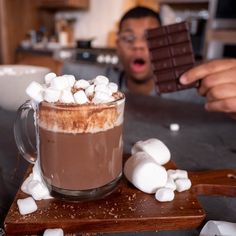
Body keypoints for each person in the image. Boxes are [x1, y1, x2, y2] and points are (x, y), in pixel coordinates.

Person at [114, 6, 204, 103]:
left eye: (150, 36)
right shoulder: (100, 84)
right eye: (128, 38)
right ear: (118, 46)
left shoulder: (191, 95)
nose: (138, 45)